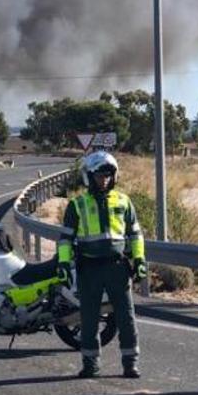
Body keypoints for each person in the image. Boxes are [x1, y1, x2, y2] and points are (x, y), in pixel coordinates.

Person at [57, 150, 148, 379]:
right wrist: (64, 265)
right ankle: (90, 364)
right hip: (89, 269)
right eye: (99, 175)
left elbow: (135, 234)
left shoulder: (124, 201)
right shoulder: (77, 205)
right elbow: (66, 239)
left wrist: (139, 260)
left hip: (118, 268)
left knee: (126, 317)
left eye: (108, 175)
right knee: (88, 318)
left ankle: (130, 363)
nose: (104, 179)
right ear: (89, 176)